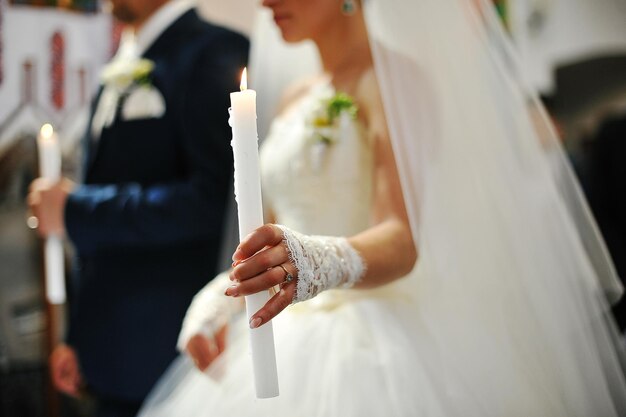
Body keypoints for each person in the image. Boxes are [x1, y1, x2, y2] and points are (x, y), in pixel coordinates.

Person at [139, 0, 626, 416]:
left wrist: (313, 261)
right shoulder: (292, 98)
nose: (266, 2)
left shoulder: (395, 81)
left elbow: (401, 235)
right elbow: (267, 231)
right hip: (286, 330)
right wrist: (218, 298)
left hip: (372, 337)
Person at [27, 0, 248, 415]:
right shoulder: (122, 57)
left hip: (167, 356)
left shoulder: (213, 51)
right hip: (107, 356)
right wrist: (79, 335)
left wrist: (77, 210)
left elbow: (212, 200)